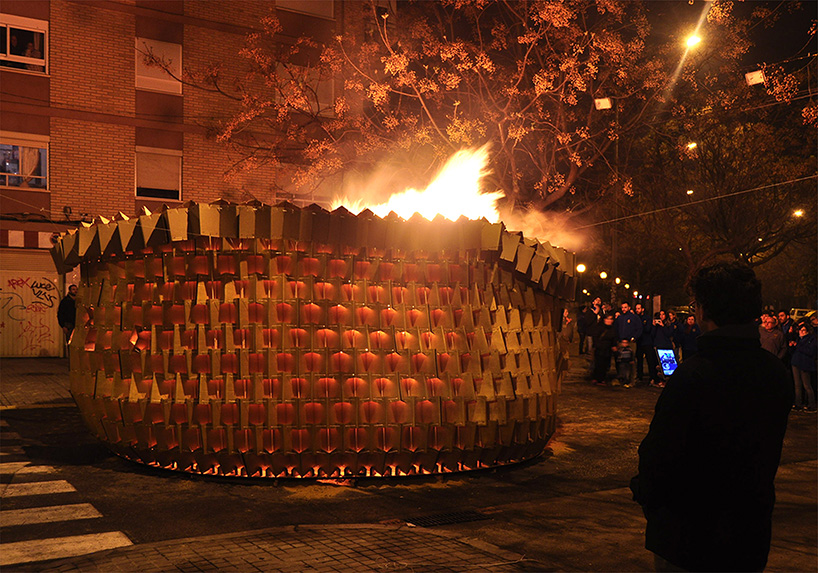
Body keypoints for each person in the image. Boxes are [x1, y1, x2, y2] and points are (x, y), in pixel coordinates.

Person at [631, 262, 792, 572]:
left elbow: (659, 456)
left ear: (703, 311)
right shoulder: (774, 372)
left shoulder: (695, 374)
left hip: (689, 537)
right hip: (749, 533)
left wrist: (648, 497)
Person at [614, 302, 643, 385]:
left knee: (631, 361)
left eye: (625, 307)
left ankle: (632, 380)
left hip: (631, 342)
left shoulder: (634, 318)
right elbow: (616, 329)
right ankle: (622, 378)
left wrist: (634, 337)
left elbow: (639, 328)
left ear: (629, 308)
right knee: (620, 361)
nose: (623, 309)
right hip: (621, 342)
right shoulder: (619, 318)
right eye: (622, 307)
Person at [791, 322, 817, 411]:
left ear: (808, 331)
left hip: (805, 364)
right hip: (796, 362)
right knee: (797, 385)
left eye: (803, 330)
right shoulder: (799, 339)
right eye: (800, 330)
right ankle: (798, 403)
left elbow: (810, 351)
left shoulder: (812, 339)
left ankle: (811, 404)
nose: (801, 332)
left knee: (807, 385)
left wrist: (797, 345)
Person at [589, 312, 617, 386]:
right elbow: (595, 337)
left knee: (605, 364)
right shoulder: (599, 327)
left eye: (611, 319)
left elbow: (614, 338)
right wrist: (598, 345)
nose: (609, 321)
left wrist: (614, 346)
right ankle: (597, 378)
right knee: (599, 364)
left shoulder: (612, 329)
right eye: (608, 319)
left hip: (607, 349)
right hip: (600, 348)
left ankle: (602, 378)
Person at [648, 311, 673, 388]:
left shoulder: (669, 324)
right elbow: (652, 334)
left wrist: (663, 326)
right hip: (657, 346)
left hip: (666, 346)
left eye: (663, 314)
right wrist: (654, 326)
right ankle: (657, 379)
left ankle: (666, 380)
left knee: (666, 364)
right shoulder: (656, 325)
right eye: (660, 315)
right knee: (656, 364)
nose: (661, 316)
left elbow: (669, 334)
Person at [634, 302, 654, 383]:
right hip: (639, 341)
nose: (637, 310)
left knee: (650, 360)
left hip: (647, 341)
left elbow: (647, 329)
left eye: (639, 308)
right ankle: (640, 376)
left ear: (642, 309)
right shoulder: (635, 318)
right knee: (639, 360)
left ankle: (652, 376)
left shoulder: (647, 318)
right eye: (636, 309)